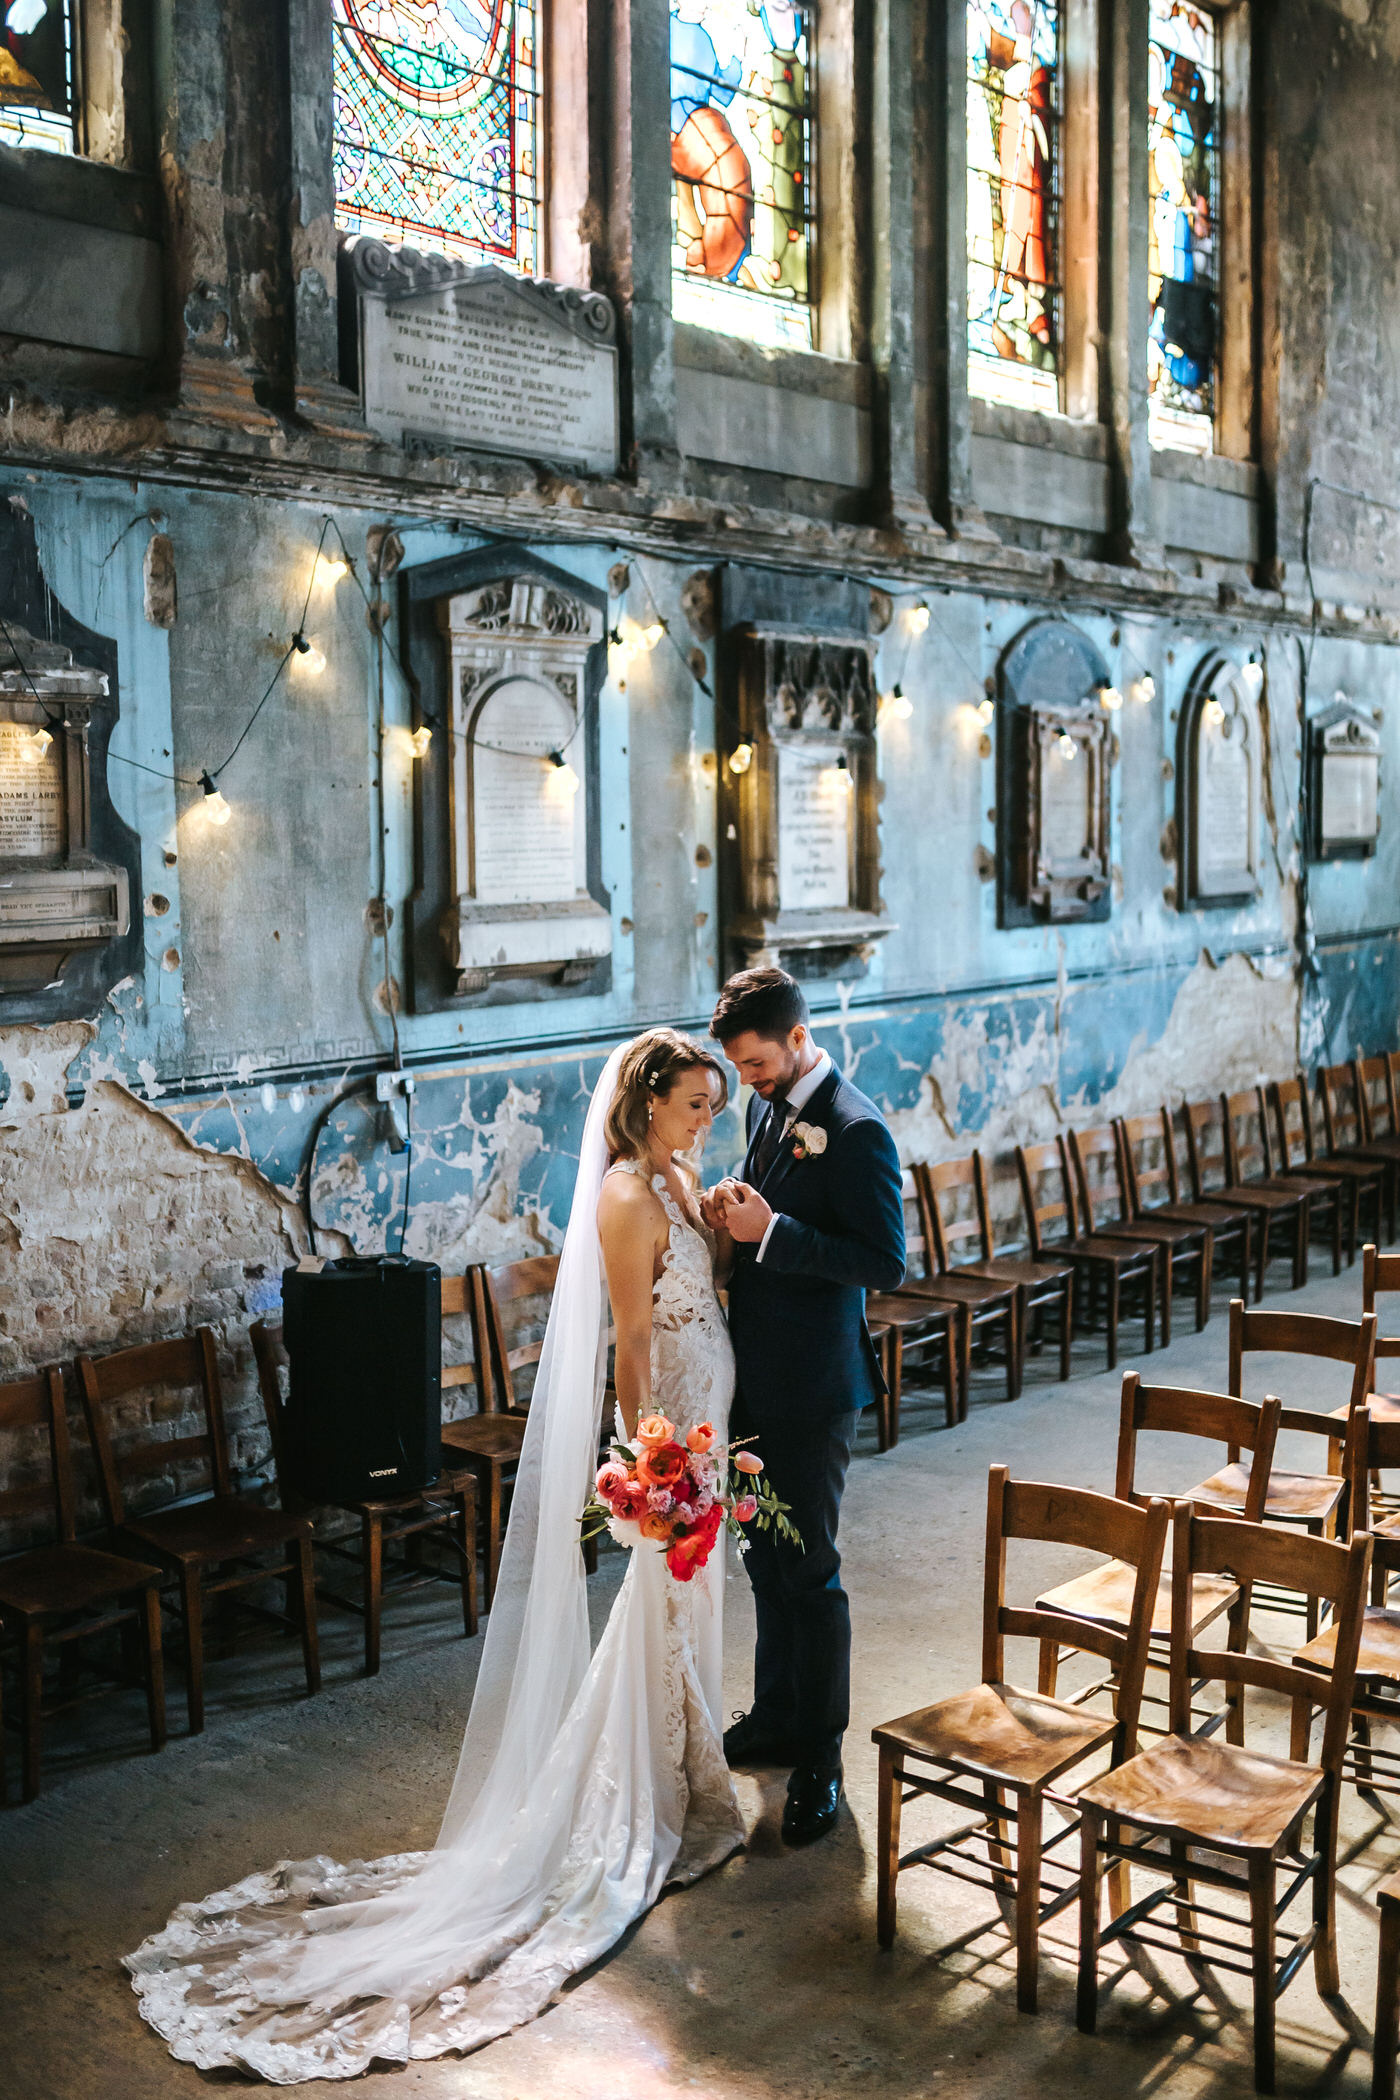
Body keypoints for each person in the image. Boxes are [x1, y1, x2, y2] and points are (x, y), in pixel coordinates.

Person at [123, 1029, 745, 2084]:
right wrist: (651, 1460)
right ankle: (655, 1786)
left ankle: (685, 1773)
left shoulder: (676, 1177)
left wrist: (717, 1216)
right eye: (692, 1103)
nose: (704, 1120)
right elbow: (631, 1343)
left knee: (688, 1603)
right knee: (659, 1599)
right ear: (644, 1105)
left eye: (708, 1106)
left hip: (709, 1414)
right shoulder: (626, 1198)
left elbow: (697, 1286)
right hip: (671, 1427)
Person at [706, 968, 906, 1847]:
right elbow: (766, 1205)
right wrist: (736, 1215)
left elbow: (885, 1262)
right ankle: (777, 1715)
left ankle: (820, 1756)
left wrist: (773, 1235)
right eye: (739, 1067)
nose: (745, 1080)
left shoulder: (858, 1132)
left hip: (817, 1387)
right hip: (753, 1377)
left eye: (754, 1063)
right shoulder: (764, 1108)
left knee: (812, 1569)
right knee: (763, 1555)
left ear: (796, 1039)